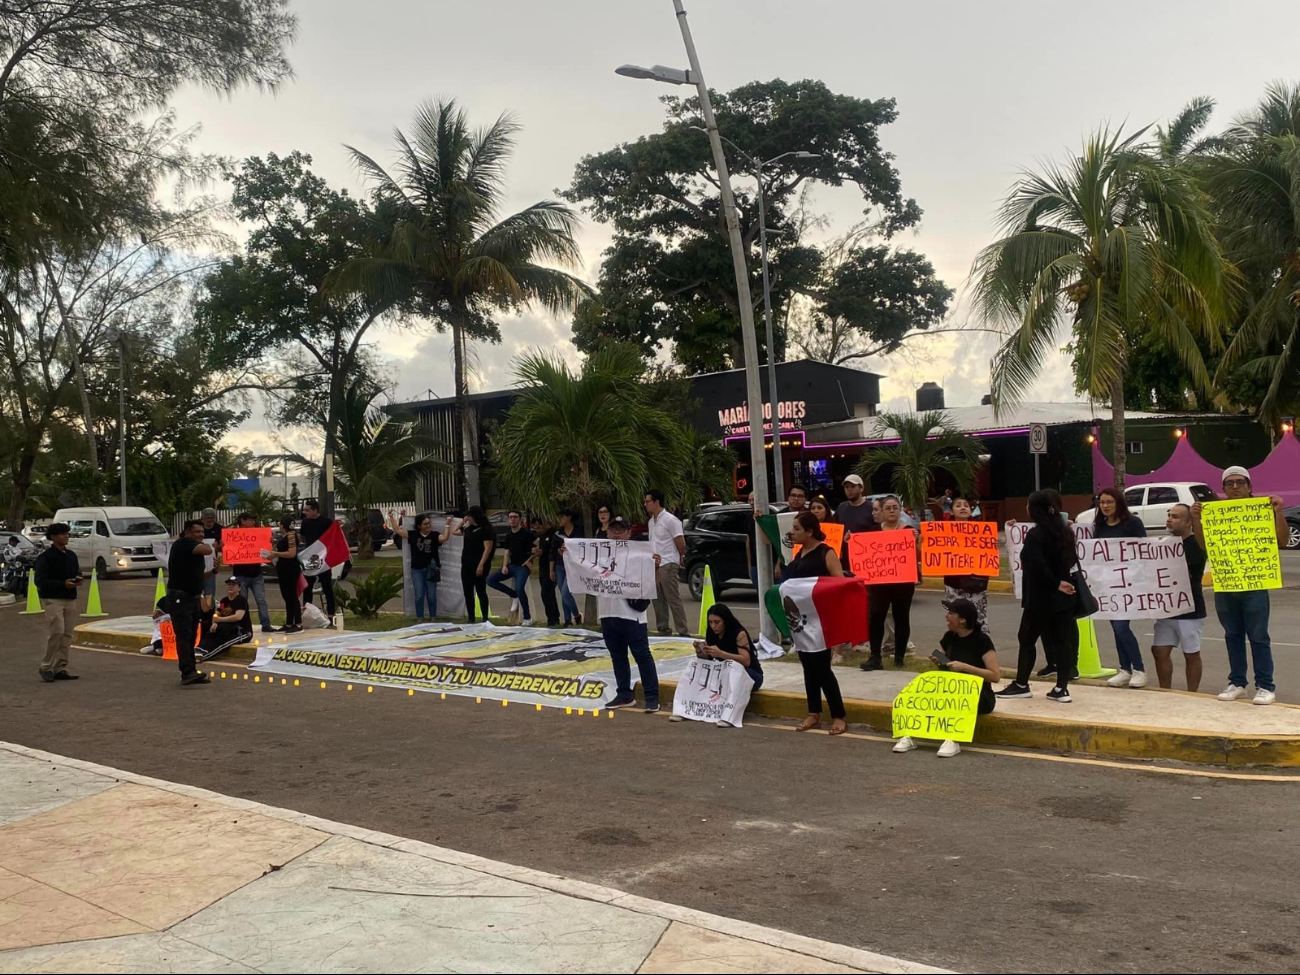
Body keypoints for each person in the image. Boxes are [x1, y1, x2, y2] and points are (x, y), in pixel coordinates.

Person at [1192, 466, 1286, 705]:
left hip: (1254, 583)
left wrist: (1279, 512)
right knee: (1232, 635)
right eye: (1229, 483)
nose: (1235, 487)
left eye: (1240, 482)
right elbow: (1204, 546)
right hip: (1226, 583)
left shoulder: (1263, 509)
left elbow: (1282, 541)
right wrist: (1196, 520)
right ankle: (1237, 682)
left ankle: (1265, 685)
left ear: (1249, 486)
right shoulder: (1215, 513)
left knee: (1258, 636)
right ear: (1223, 488)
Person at [998, 491, 1079, 703]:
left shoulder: (1036, 535)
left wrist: (1054, 583)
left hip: (1041, 598)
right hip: (1064, 597)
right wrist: (1061, 582)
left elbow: (1035, 565)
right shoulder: (1066, 532)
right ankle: (1062, 688)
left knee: (1026, 639)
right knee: (1062, 642)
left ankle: (1021, 684)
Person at [894, 598, 1000, 758]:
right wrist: (940, 661)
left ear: (962, 620)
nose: (946, 617)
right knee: (918, 695)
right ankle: (909, 735)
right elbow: (947, 668)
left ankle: (953, 739)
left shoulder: (982, 641)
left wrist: (966, 667)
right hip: (952, 689)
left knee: (956, 700)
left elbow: (995, 676)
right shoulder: (950, 637)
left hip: (979, 695)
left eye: (951, 613)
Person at [783, 511, 849, 735]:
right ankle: (814, 713)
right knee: (808, 668)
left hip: (820, 619)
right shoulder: (799, 554)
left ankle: (839, 715)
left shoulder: (825, 552)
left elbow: (838, 583)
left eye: (797, 528)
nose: (793, 532)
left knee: (822, 669)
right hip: (800, 621)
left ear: (810, 531)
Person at [599, 515, 660, 713]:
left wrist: (655, 566)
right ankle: (624, 694)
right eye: (613, 529)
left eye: (621, 529)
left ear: (629, 532)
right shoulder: (598, 554)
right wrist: (568, 554)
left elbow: (653, 584)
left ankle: (652, 696)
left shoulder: (639, 554)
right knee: (617, 656)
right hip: (608, 613)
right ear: (607, 532)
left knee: (642, 655)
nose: (616, 533)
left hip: (632, 614)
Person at [1094, 487, 1150, 688]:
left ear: (1118, 503)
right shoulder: (1099, 525)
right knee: (1115, 628)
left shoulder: (1133, 523)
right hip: (1108, 585)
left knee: (1121, 627)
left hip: (1129, 584)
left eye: (1109, 502)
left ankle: (1139, 669)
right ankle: (1125, 669)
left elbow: (1143, 550)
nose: (1105, 506)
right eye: (1102, 503)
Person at [1152, 504, 1206, 692]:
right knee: (1159, 651)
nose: (1169, 519)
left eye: (1175, 516)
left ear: (1188, 522)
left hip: (1190, 610)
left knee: (1191, 653)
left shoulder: (1197, 544)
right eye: (1169, 515)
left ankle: (1192, 694)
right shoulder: (1164, 544)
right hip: (1167, 608)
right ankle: (1165, 691)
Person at [863, 496, 920, 672]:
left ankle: (900, 657)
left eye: (895, 507)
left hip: (903, 581)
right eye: (888, 508)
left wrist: (917, 542)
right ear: (881, 511)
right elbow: (863, 551)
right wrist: (851, 541)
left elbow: (918, 555)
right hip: (879, 581)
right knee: (876, 616)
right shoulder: (872, 531)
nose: (892, 511)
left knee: (901, 617)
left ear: (900, 509)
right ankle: (875, 656)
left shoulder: (909, 530)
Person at [166, 520, 214, 685]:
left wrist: (214, 571)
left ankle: (191, 670)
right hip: (180, 597)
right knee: (184, 634)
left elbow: (198, 577)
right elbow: (206, 549)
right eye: (197, 532)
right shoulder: (183, 543)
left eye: (202, 532)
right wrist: (213, 546)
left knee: (192, 634)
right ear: (187, 532)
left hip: (192, 597)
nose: (201, 535)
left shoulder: (192, 551)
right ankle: (187, 672)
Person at [32, 523, 81, 682]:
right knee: (56, 632)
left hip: (70, 598)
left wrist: (77, 579)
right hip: (53, 599)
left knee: (67, 634)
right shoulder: (45, 557)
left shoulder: (71, 555)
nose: (66, 536)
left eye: (67, 533)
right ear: (53, 537)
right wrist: (62, 584)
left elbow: (76, 571)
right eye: (62, 534)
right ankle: (46, 666)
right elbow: (40, 580)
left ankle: (60, 667)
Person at [389, 510, 452, 622]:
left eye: (429, 523)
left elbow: (445, 538)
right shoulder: (413, 534)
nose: (428, 526)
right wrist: (391, 517)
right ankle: (420, 617)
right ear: (419, 526)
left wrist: (447, 524)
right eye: (425, 524)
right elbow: (397, 530)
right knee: (419, 595)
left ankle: (433, 617)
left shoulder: (434, 535)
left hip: (431, 569)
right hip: (416, 569)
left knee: (431, 595)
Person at [942, 495, 990, 634]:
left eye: (966, 505)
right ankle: (955, 651)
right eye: (958, 505)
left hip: (976, 583)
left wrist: (993, 543)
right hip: (953, 583)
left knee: (979, 618)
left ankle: (982, 651)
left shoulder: (983, 530)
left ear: (970, 510)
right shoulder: (942, 531)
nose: (963, 508)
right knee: (956, 619)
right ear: (951, 511)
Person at [644, 489, 689, 637]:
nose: (645, 505)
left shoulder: (670, 520)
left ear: (656, 502)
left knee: (673, 598)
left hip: (668, 563)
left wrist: (680, 556)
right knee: (657, 599)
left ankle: (683, 631)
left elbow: (680, 542)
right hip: (654, 565)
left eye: (647, 501)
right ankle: (663, 629)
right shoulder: (651, 522)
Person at [488, 509, 536, 625]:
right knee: (490, 580)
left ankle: (527, 617)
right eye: (511, 517)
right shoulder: (509, 535)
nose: (513, 519)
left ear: (520, 519)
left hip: (522, 567)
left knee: (520, 588)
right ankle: (513, 595)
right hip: (511, 565)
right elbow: (506, 552)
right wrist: (504, 565)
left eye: (515, 517)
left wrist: (530, 561)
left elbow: (537, 547)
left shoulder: (527, 534)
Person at [230, 512, 276, 633]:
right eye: (250, 520)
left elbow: (267, 552)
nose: (253, 523)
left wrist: (269, 542)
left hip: (256, 574)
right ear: (243, 521)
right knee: (242, 601)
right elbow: (227, 551)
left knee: (261, 600)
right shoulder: (233, 535)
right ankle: (242, 625)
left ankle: (266, 624)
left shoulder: (258, 534)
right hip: (240, 575)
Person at [197, 577, 253, 661]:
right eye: (229, 584)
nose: (230, 586)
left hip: (242, 631)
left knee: (223, 640)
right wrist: (214, 623)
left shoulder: (241, 600)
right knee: (212, 632)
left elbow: (238, 617)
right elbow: (217, 614)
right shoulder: (224, 600)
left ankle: (205, 655)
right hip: (227, 628)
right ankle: (199, 649)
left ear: (239, 588)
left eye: (233, 585)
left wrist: (220, 620)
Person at [456, 507, 495, 623]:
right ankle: (471, 618)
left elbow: (487, 549)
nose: (468, 518)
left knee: (480, 590)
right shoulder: (468, 528)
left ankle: (485, 617)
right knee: (468, 592)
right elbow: (455, 531)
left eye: (469, 516)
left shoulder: (486, 529)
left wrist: (481, 565)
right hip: (466, 563)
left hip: (479, 563)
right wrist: (463, 521)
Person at [299, 500, 337, 618]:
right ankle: (307, 613)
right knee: (307, 587)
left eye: (308, 510)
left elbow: (333, 538)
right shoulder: (305, 522)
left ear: (315, 510)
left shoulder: (326, 522)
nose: (305, 512)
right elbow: (302, 537)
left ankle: (331, 613)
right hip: (310, 559)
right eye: (304, 510)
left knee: (327, 586)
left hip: (323, 559)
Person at [266, 514, 303, 633]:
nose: (279, 525)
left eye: (280, 523)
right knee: (287, 596)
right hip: (283, 569)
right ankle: (288, 622)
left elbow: (291, 553)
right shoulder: (286, 536)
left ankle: (297, 623)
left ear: (283, 525)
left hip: (290, 569)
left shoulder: (291, 536)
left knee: (292, 596)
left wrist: (276, 554)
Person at [834, 474, 877, 566]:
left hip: (867, 558)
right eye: (846, 487)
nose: (849, 489)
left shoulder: (871, 508)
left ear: (861, 488)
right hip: (845, 558)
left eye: (853, 486)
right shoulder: (841, 507)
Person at [583, 504, 614, 624]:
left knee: (612, 596)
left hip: (612, 568)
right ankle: (605, 621)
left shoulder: (613, 529)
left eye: (605, 512)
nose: (603, 515)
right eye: (600, 512)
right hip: (600, 569)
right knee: (602, 596)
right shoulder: (597, 531)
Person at [555, 508, 583, 626]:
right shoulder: (558, 533)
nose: (560, 520)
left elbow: (581, 548)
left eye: (562, 517)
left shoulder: (578, 532)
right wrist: (552, 569)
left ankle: (576, 615)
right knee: (563, 593)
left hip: (573, 566)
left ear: (569, 518)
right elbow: (553, 551)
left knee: (566, 592)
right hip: (560, 565)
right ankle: (567, 619)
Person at [533, 513, 562, 627]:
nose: (537, 529)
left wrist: (543, 552)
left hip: (551, 566)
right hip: (542, 566)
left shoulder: (553, 534)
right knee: (548, 593)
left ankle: (552, 618)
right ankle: (554, 616)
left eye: (538, 527)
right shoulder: (542, 535)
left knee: (546, 593)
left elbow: (552, 551)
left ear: (545, 524)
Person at [199, 506, 223, 623]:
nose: (210, 523)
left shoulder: (219, 529)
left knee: (210, 592)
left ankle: (209, 617)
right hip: (196, 566)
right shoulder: (196, 527)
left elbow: (224, 545)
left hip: (211, 565)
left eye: (212, 520)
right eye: (208, 521)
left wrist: (219, 546)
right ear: (202, 519)